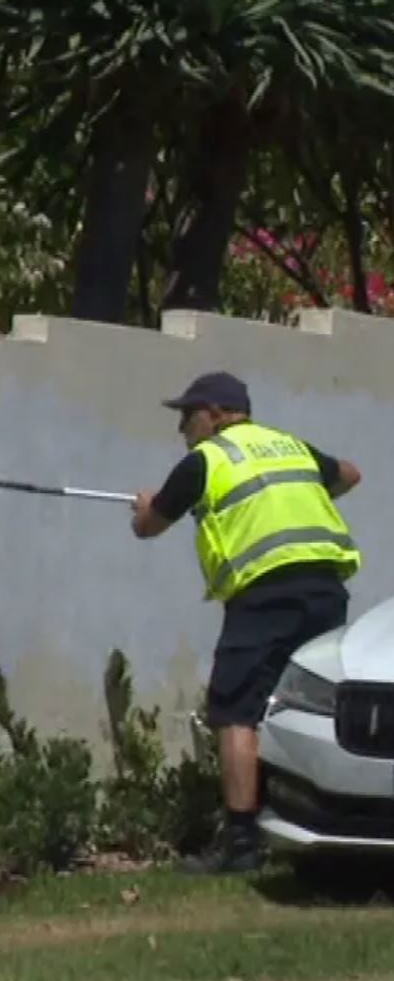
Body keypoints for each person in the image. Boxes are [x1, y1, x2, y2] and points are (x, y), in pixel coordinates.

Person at [130, 371, 362, 874]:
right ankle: (323, 818)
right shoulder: (289, 447)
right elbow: (348, 474)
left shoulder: (204, 461)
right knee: (309, 705)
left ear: (215, 415)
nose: (182, 430)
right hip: (325, 592)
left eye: (187, 417)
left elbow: (149, 526)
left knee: (236, 709)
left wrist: (146, 507)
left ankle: (241, 844)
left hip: (264, 596)